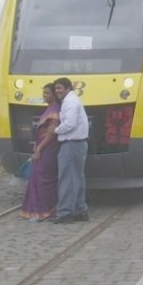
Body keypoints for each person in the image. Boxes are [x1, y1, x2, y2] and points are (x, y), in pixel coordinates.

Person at [49, 77, 90, 224]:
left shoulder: (70, 102)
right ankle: (80, 210)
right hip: (78, 144)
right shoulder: (72, 100)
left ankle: (66, 212)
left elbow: (70, 123)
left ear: (68, 88)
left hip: (71, 144)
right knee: (77, 178)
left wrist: (56, 130)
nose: (57, 91)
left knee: (66, 179)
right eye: (56, 88)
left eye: (60, 88)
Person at [20, 84, 62, 222]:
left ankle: (45, 210)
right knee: (38, 177)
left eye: (48, 93)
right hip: (43, 147)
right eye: (43, 93)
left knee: (45, 178)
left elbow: (51, 134)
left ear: (54, 95)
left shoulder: (55, 110)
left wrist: (39, 148)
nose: (45, 95)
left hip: (48, 148)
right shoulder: (50, 109)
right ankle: (37, 209)